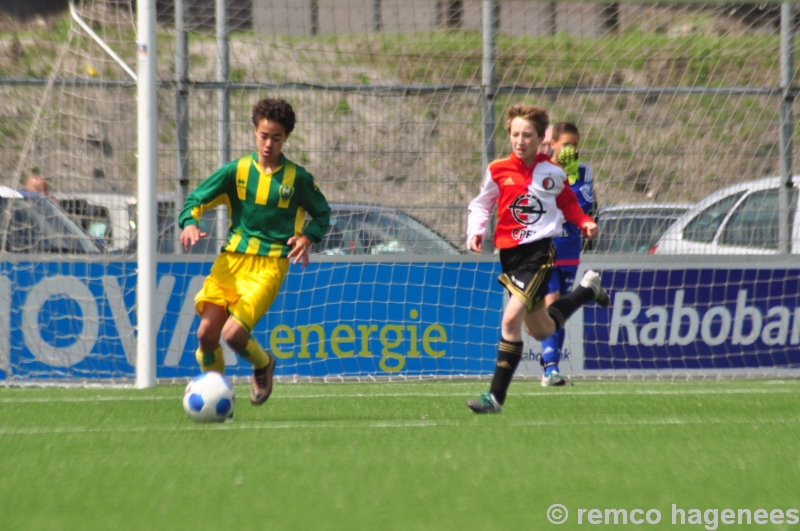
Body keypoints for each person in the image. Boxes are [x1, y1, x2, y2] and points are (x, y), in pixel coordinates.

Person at [178, 98, 331, 406]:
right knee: (206, 335)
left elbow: (323, 214)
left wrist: (308, 238)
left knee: (233, 335)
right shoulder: (237, 171)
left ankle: (263, 364)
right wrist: (189, 223)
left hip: (270, 266)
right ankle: (218, 397)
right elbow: (196, 198)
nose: (268, 143)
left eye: (276, 137)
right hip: (231, 264)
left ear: (286, 138)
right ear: (255, 132)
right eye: (264, 135)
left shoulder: (297, 179)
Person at [465, 104, 608, 414]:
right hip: (510, 255)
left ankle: (495, 398)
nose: (519, 141)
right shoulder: (497, 169)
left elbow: (569, 204)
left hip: (540, 253)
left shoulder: (554, 173)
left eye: (527, 135)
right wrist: (475, 230)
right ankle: (588, 291)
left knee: (509, 319)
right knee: (541, 330)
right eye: (515, 134)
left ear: (541, 138)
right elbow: (481, 204)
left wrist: (583, 221)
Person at [539, 122, 596, 387]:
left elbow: (581, 205)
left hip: (570, 250)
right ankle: (549, 369)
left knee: (560, 311)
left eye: (575, 145)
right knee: (551, 305)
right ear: (552, 144)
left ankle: (553, 367)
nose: (571, 150)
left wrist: (569, 175)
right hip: (544, 249)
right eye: (566, 145)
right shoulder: (540, 170)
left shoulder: (582, 171)